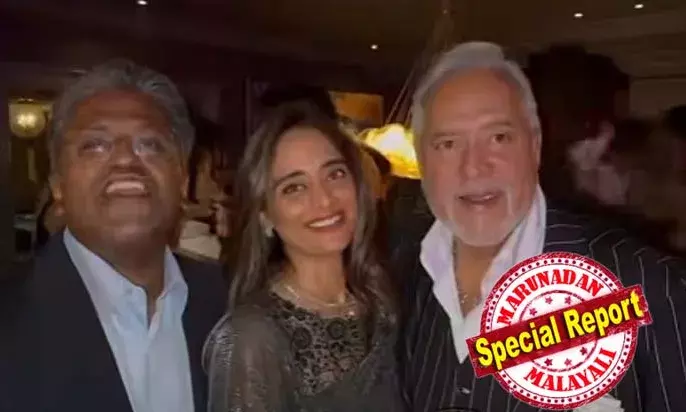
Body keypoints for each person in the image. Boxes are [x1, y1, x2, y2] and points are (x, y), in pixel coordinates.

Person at [396, 42, 686, 412]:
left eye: (499, 137)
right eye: (448, 144)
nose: (474, 167)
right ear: (421, 160)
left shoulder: (645, 284)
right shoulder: (402, 280)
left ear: (535, 147)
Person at [0, 59, 226, 412]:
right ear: (58, 184)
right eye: (95, 145)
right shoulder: (11, 317)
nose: (125, 160)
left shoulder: (231, 305)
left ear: (182, 179)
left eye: (150, 145)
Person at [203, 103, 403, 412]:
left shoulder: (382, 298)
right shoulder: (251, 337)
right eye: (294, 187)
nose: (324, 200)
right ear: (265, 215)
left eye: (335, 174)